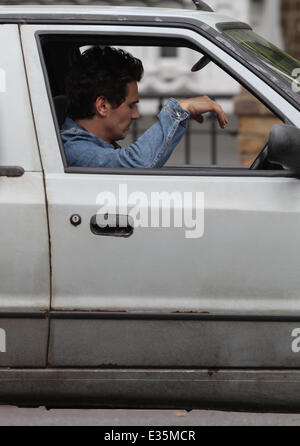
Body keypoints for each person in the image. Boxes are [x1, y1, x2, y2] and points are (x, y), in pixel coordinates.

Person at [61, 46, 228, 168]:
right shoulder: (74, 150)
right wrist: (179, 109)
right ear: (103, 106)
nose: (135, 115)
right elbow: (136, 164)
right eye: (131, 106)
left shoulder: (89, 147)